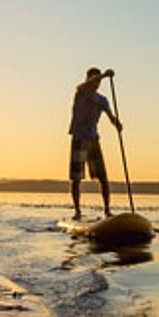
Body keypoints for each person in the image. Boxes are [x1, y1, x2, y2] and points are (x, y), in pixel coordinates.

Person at [68, 68, 122, 220]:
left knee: (103, 177)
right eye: (95, 80)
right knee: (76, 178)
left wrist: (117, 124)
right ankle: (77, 211)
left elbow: (111, 117)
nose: (97, 83)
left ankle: (107, 210)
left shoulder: (102, 100)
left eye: (98, 81)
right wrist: (104, 75)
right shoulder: (81, 93)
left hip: (93, 139)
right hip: (79, 138)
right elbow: (82, 85)